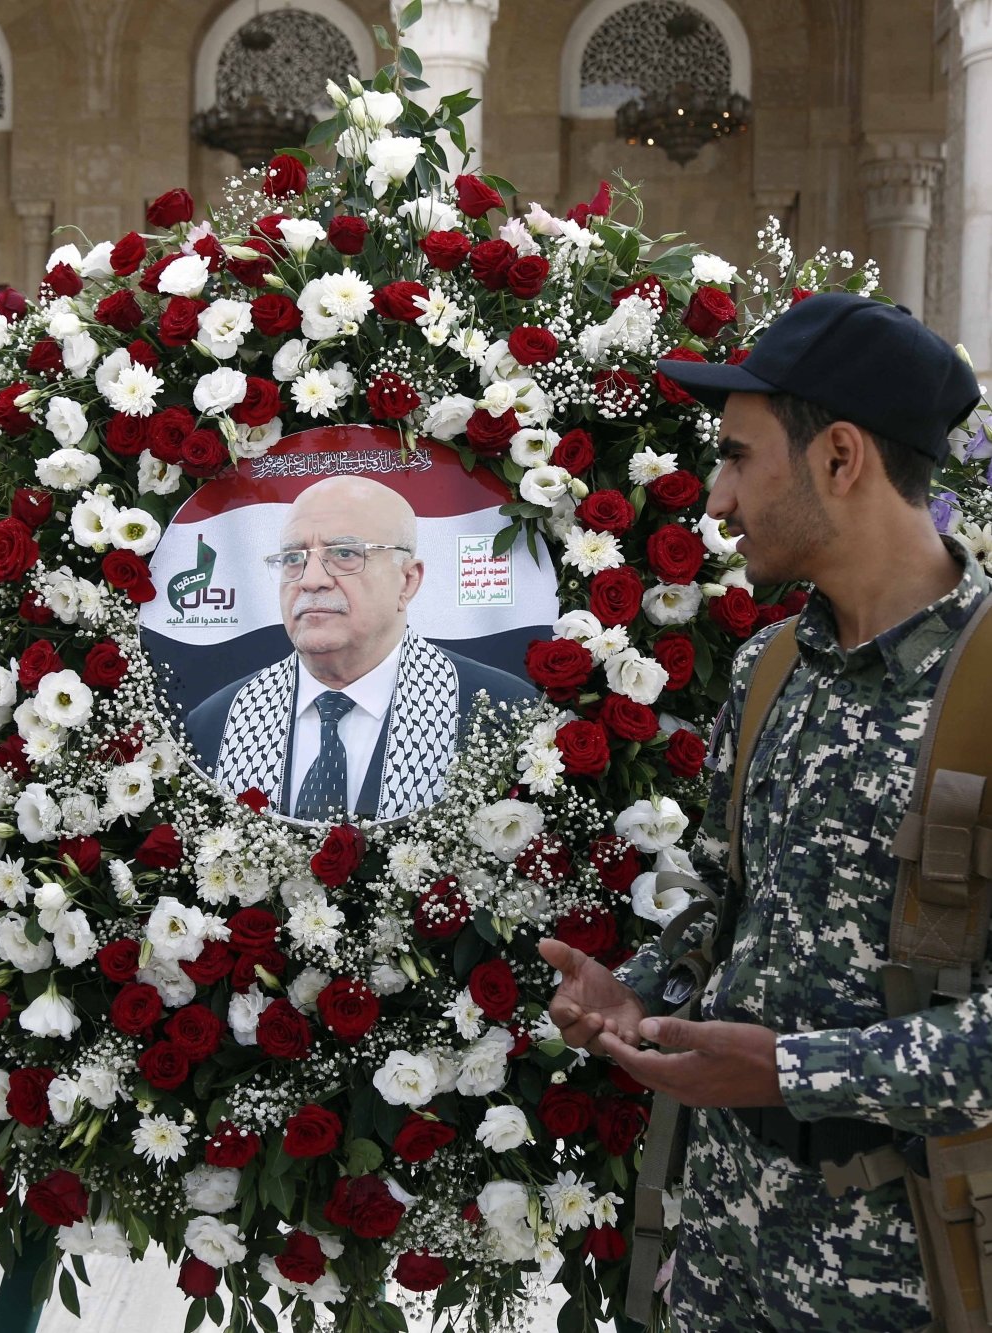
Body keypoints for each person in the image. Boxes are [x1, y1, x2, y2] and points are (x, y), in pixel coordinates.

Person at [541, 293, 985, 1332]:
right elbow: (729, 903)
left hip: (909, 1278)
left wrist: (789, 1069)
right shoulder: (770, 665)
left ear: (839, 458)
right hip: (724, 1265)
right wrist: (639, 989)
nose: (716, 496)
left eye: (739, 458)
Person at [186, 475, 534, 820]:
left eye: (344, 554)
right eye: (293, 559)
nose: (311, 579)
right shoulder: (216, 724)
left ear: (407, 581)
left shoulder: (506, 714)